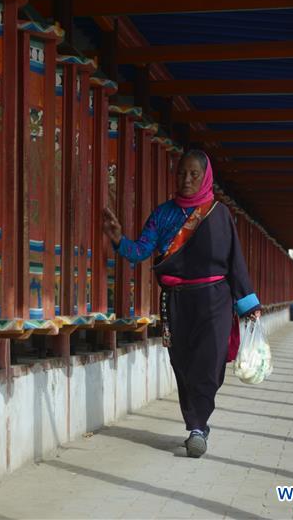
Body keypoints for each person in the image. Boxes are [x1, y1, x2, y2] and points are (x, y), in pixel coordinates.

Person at [102, 149, 261, 458]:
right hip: (176, 302)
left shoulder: (218, 214)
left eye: (194, 174)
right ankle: (197, 424)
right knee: (183, 364)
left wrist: (248, 304)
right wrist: (119, 239)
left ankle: (198, 427)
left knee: (210, 362)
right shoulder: (163, 215)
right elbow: (140, 251)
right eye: (181, 173)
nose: (187, 179)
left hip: (215, 301)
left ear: (206, 177)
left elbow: (235, 262)